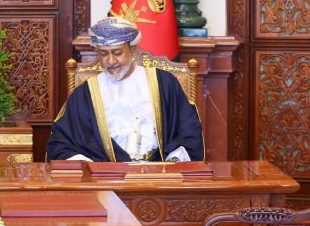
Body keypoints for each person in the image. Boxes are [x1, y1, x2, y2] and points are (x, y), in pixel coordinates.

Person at [47, 16, 203, 162]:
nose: (111, 61)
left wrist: (175, 160)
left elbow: (189, 129)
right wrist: (86, 165)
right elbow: (60, 142)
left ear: (132, 49)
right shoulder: (85, 94)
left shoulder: (164, 83)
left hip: (160, 172)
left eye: (117, 52)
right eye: (103, 54)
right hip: (106, 176)